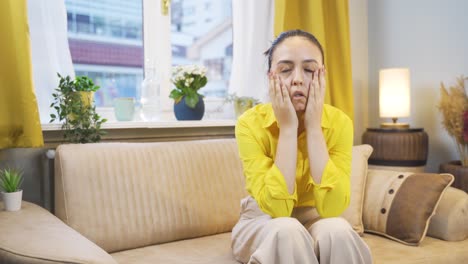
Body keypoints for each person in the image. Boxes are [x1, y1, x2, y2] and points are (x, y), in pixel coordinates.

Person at [231, 29, 373, 264]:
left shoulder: (339, 123)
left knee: (338, 230)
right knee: (287, 230)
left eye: (309, 70)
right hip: (263, 219)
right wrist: (288, 128)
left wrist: (314, 127)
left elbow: (332, 207)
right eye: (285, 70)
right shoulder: (249, 124)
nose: (297, 78)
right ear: (270, 77)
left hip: (316, 216)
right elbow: (277, 210)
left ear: (322, 76)